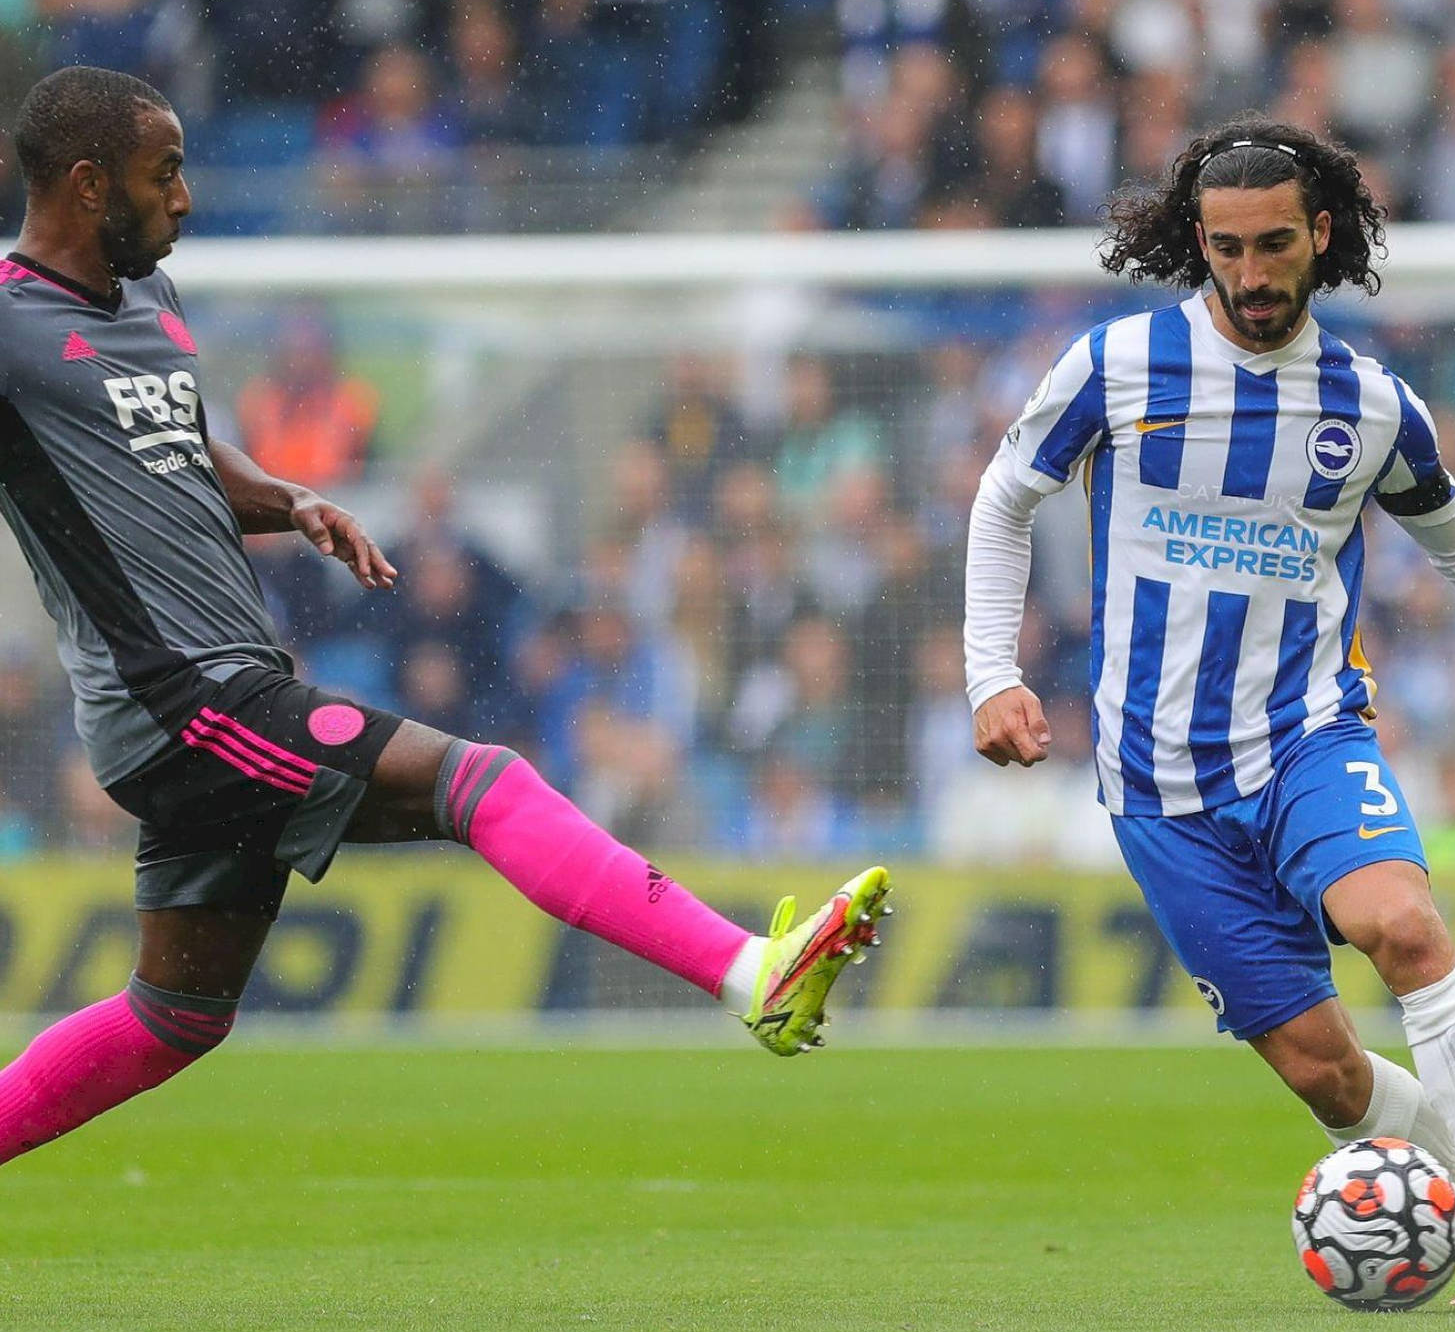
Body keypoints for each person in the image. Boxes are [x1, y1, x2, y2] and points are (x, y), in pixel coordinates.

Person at [0, 67, 892, 1174]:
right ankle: (749, 972)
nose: (184, 198)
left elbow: (174, 449)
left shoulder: (149, 305)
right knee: (482, 783)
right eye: (163, 174)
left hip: (228, 683)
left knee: (177, 1014)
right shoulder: (10, 322)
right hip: (181, 701)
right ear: (87, 185)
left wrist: (288, 499)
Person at [963, 120, 1455, 1310]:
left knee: (1406, 928)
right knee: (1327, 1075)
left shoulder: (1370, 406)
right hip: (1158, 789)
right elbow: (1003, 499)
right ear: (1200, 247)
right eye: (1227, 248)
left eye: (1276, 243)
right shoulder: (1115, 368)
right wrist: (991, 672)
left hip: (1307, 741)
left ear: (1320, 235)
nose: (1253, 272)